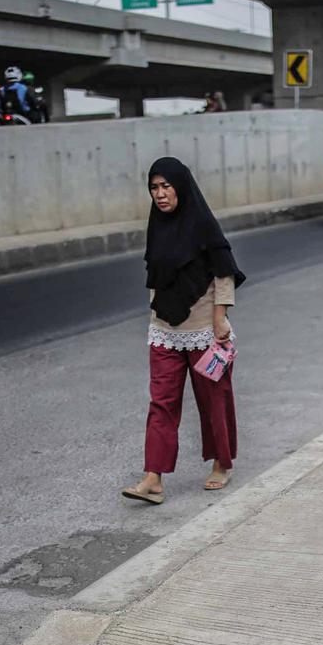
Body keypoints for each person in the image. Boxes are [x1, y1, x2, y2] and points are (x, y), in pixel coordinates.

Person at [123, 157, 246, 506]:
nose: (160, 194)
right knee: (161, 403)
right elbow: (156, 276)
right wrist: (156, 317)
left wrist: (220, 317)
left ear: (181, 186)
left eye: (166, 186)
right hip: (165, 329)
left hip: (205, 329)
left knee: (214, 401)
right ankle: (153, 477)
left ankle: (222, 462)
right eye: (154, 187)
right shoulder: (157, 226)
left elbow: (223, 271)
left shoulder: (203, 225)